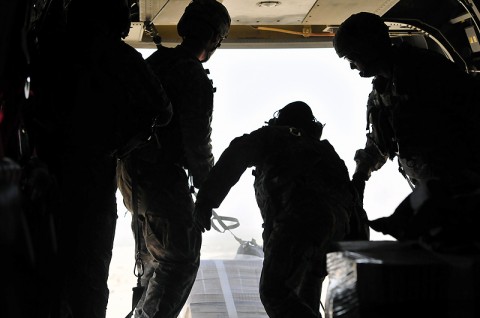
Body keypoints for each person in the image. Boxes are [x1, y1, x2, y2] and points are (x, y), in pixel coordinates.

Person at [32, 1, 173, 317]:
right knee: (89, 273)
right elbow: (161, 111)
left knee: (46, 269)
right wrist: (124, 143)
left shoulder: (52, 48)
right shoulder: (119, 57)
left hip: (45, 173)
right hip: (94, 174)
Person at [116, 1, 231, 317]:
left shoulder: (156, 62)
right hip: (161, 179)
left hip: (131, 179)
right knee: (180, 259)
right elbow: (197, 145)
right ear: (213, 39)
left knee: (154, 263)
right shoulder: (192, 75)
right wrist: (208, 193)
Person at [193, 101, 356, 318]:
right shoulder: (327, 153)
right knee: (303, 299)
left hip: (300, 220)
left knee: (274, 292)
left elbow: (238, 153)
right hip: (336, 234)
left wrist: (206, 200)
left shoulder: (275, 136)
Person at [333, 12, 480, 247]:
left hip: (462, 191)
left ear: (369, 48)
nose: (352, 66)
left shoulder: (428, 72)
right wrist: (360, 176)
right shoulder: (381, 92)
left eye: (353, 56)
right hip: (431, 193)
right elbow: (378, 143)